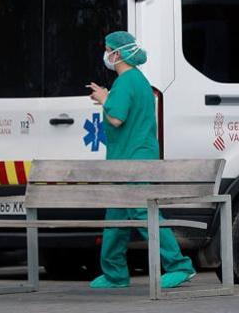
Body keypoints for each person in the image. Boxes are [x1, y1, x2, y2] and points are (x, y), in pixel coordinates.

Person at [87, 31, 196, 289]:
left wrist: (104, 98)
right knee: (117, 217)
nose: (106, 54)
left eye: (108, 49)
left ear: (118, 53)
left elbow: (116, 118)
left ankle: (179, 266)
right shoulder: (137, 81)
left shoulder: (125, 82)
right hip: (128, 160)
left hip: (133, 162)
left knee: (143, 213)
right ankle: (114, 274)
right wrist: (108, 96)